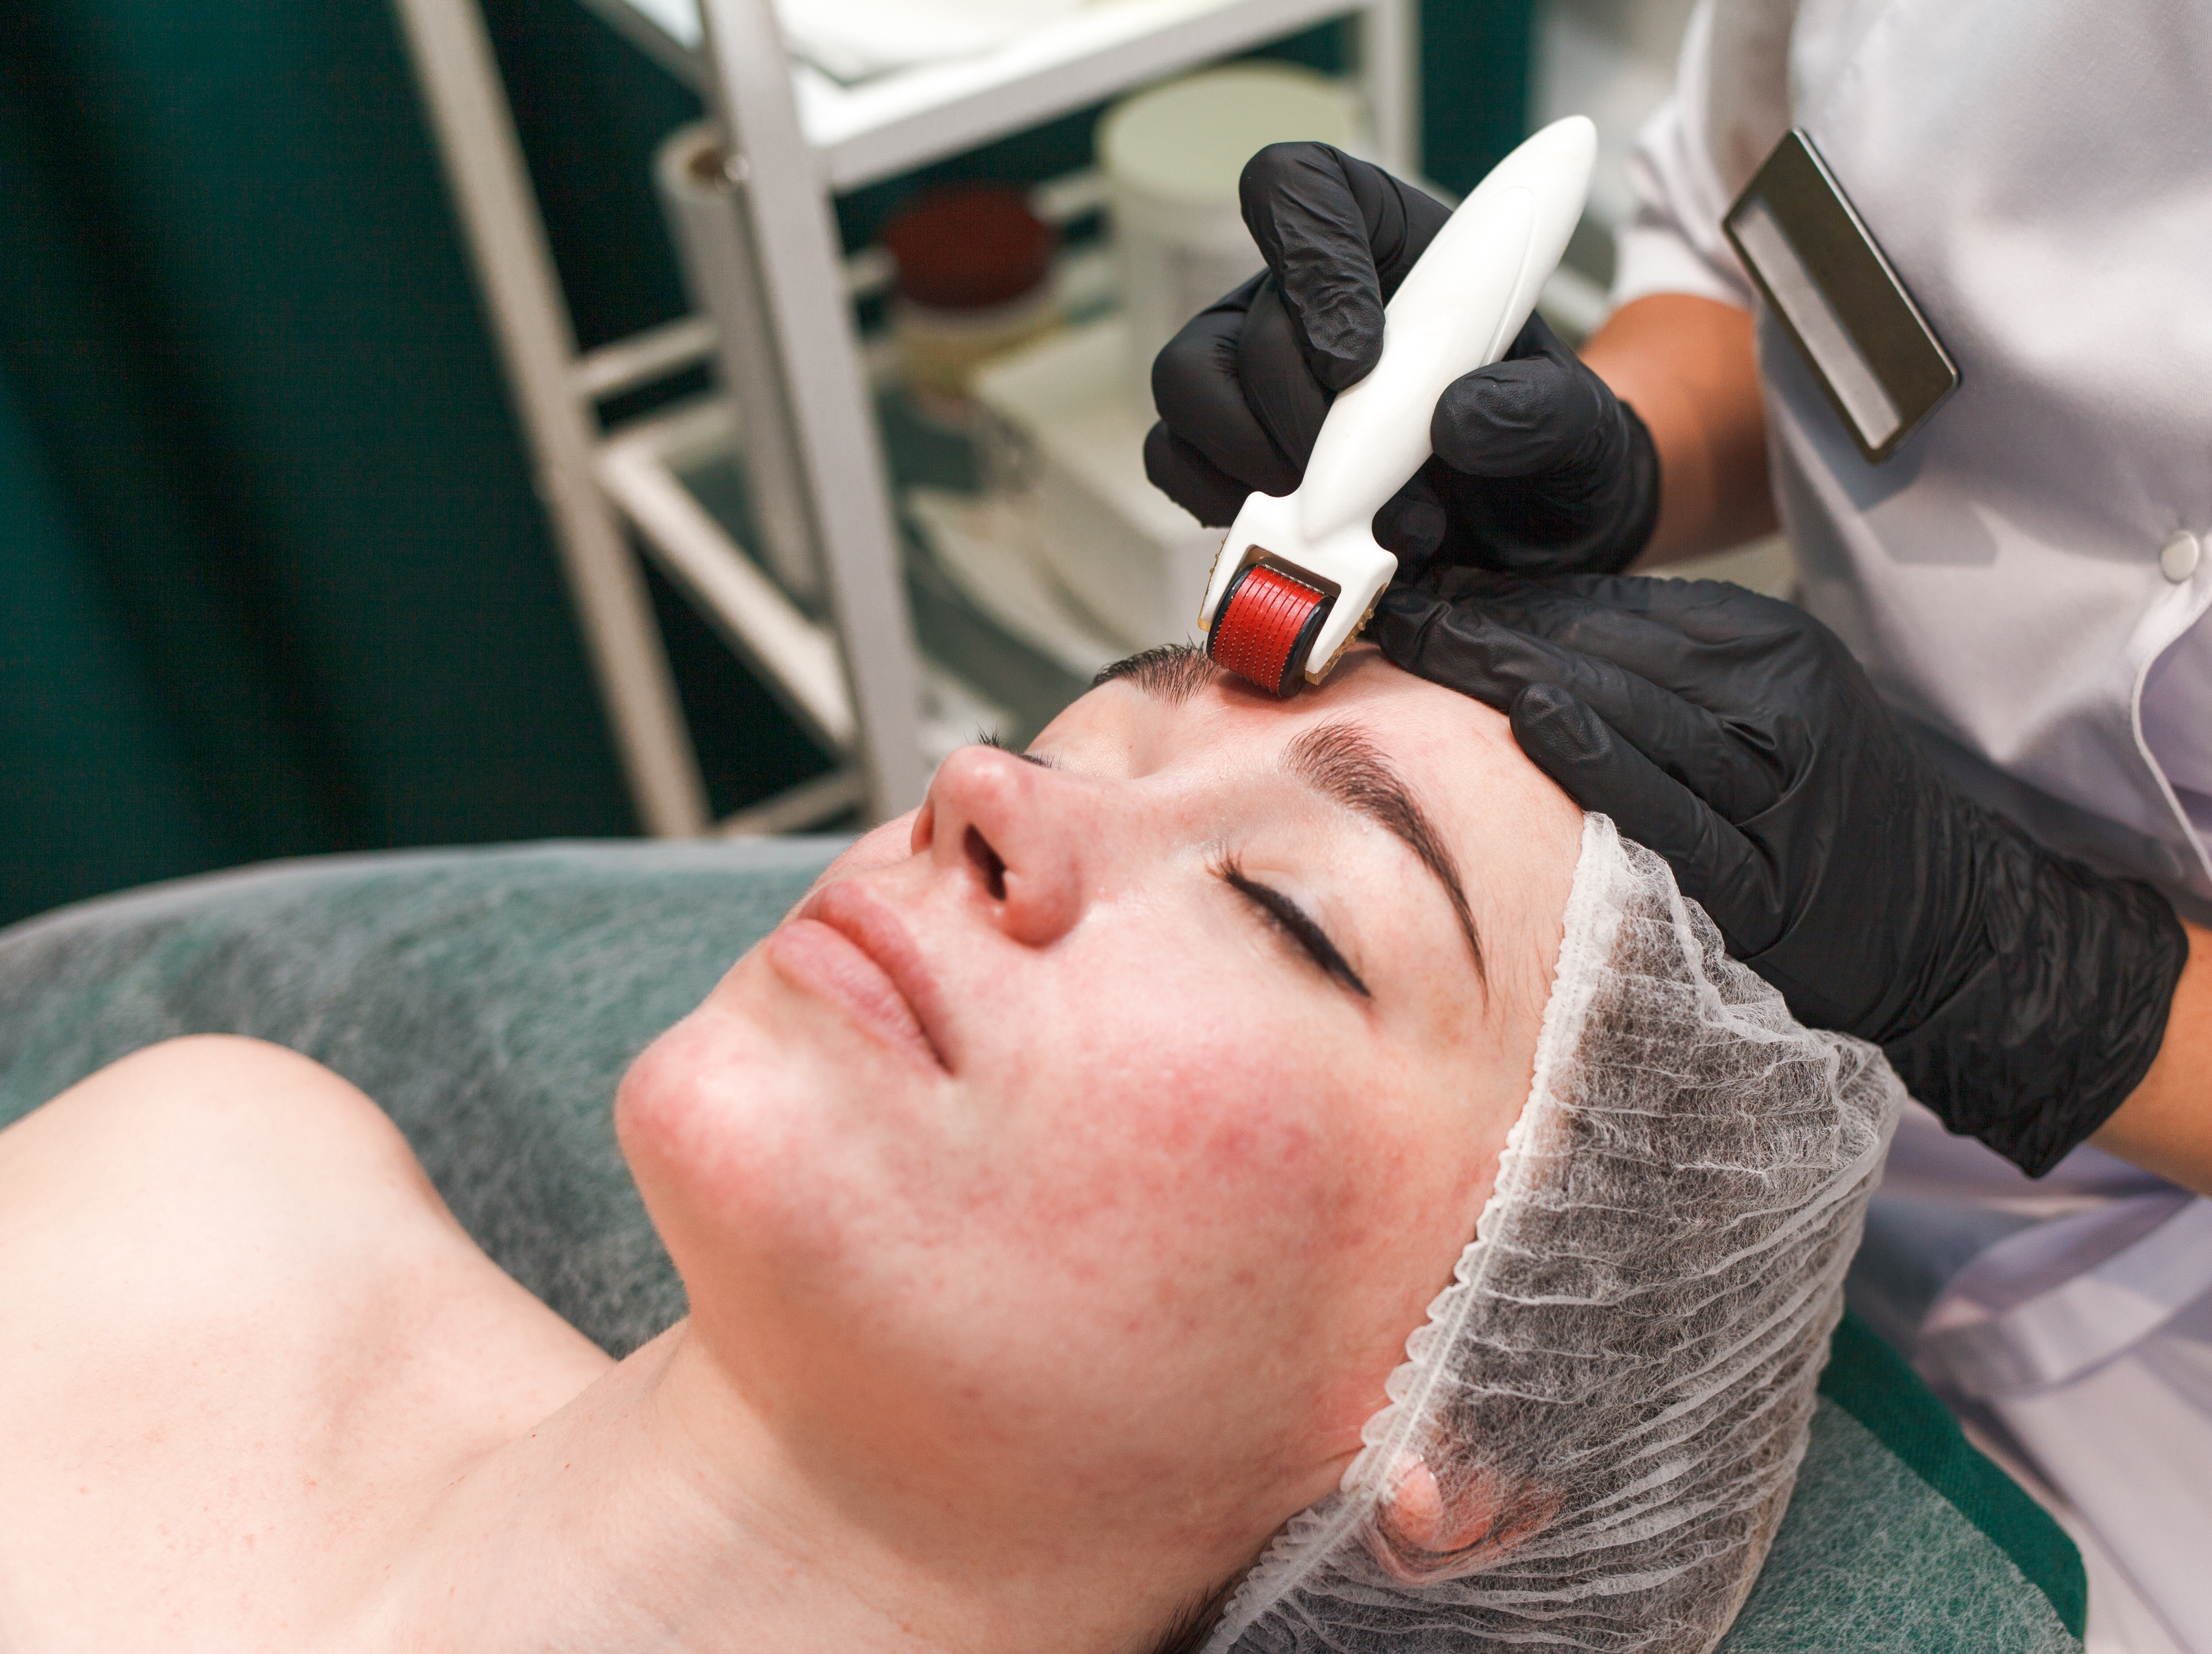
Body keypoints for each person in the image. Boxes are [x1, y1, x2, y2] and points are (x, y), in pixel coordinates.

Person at [1143, 2, 2212, 1647]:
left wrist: (2036, 980)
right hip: (1777, 998)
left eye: (1299, 918)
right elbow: (1788, 277)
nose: (970, 796)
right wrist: (1611, 457)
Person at [0, 646, 1898, 1654]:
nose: (984, 797)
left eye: (1287, 911)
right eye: (1070, 746)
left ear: (1460, 1448)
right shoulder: (217, 1178)